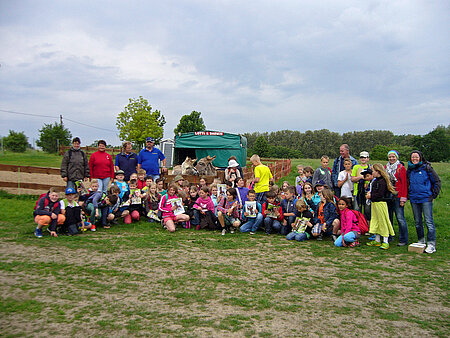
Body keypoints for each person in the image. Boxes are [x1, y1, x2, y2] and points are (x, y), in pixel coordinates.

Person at [407, 150, 441, 254]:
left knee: (428, 221)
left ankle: (431, 244)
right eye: (413, 157)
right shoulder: (410, 170)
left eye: (416, 157)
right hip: (414, 198)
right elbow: (408, 182)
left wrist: (433, 195)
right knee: (417, 222)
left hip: (426, 198)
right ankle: (421, 240)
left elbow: (437, 181)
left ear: (420, 158)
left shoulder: (427, 168)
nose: (415, 159)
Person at [365, 164, 397, 250]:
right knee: (376, 221)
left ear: (378, 171)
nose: (372, 173)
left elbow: (380, 194)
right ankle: (377, 239)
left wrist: (371, 196)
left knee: (383, 221)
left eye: (373, 171)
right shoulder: (375, 181)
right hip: (375, 204)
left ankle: (385, 240)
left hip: (381, 204)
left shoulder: (383, 182)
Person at [385, 150, 409, 246]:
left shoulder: (401, 168)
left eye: (393, 157)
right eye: (390, 157)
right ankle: (390, 235)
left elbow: (404, 184)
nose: (391, 158)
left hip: (398, 195)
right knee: (389, 217)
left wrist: (403, 198)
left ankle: (403, 238)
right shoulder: (386, 167)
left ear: (397, 157)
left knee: (400, 217)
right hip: (389, 195)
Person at [351, 151, 371, 219]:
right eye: (361, 157)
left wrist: (366, 182)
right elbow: (352, 179)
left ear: (368, 159)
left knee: (367, 211)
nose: (363, 159)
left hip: (366, 192)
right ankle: (357, 226)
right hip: (357, 191)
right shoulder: (356, 167)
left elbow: (371, 178)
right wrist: (362, 177)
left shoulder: (369, 167)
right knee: (357, 210)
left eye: (365, 157)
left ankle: (366, 226)